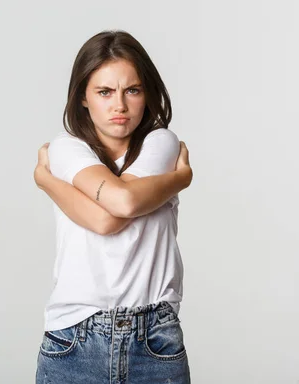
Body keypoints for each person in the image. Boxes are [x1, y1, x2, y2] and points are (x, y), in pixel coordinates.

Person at [33, 30, 193, 383]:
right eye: (104, 92)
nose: (119, 105)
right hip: (74, 338)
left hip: (153, 339)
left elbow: (124, 203)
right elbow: (113, 215)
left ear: (146, 93)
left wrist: (48, 182)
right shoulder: (66, 148)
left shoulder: (160, 143)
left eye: (131, 90)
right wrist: (180, 178)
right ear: (83, 99)